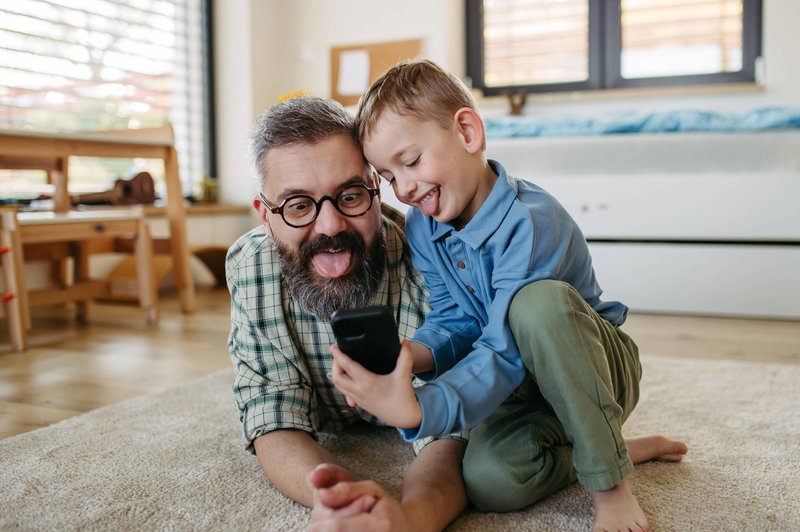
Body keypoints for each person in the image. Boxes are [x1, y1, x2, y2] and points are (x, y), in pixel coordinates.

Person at [330, 59, 688, 532]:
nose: (407, 189)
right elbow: (456, 319)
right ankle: (612, 445)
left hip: (595, 366)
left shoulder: (533, 222)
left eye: (412, 162)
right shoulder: (424, 226)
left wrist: (424, 407)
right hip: (523, 389)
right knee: (490, 481)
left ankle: (611, 482)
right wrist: (408, 355)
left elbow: (504, 348)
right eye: (389, 177)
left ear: (468, 132)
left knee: (535, 305)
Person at [226, 96, 467, 530]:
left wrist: (413, 519)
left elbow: (450, 428)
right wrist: (343, 497)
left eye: (351, 196)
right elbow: (271, 413)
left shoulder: (429, 256)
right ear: (266, 216)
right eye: (298, 205)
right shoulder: (250, 266)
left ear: (377, 190)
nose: (331, 226)